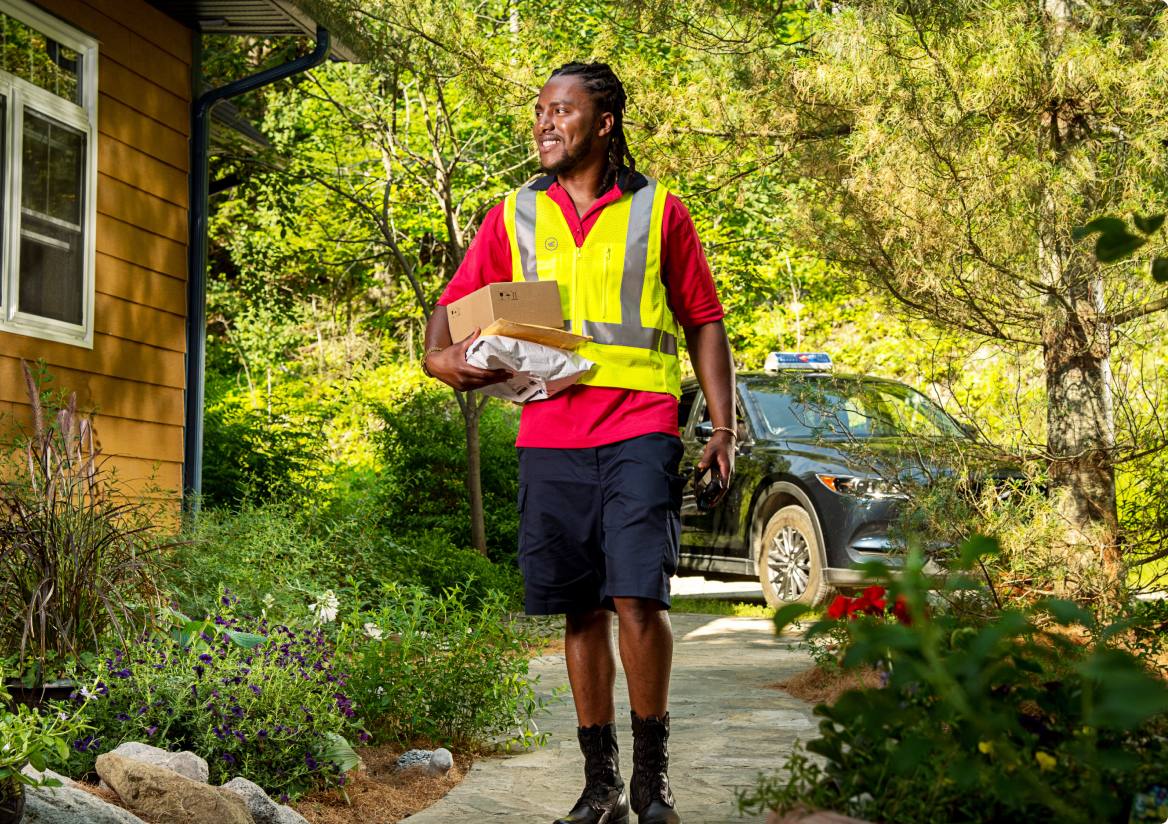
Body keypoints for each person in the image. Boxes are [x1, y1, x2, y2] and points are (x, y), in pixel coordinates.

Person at [422, 61, 735, 824]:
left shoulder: (661, 212)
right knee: (578, 608)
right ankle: (600, 787)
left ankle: (651, 781)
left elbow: (703, 318)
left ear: (603, 123)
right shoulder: (514, 216)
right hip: (549, 433)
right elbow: (450, 312)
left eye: (561, 111)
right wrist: (441, 360)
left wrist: (722, 426)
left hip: (641, 427)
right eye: (538, 112)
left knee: (636, 595)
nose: (544, 123)